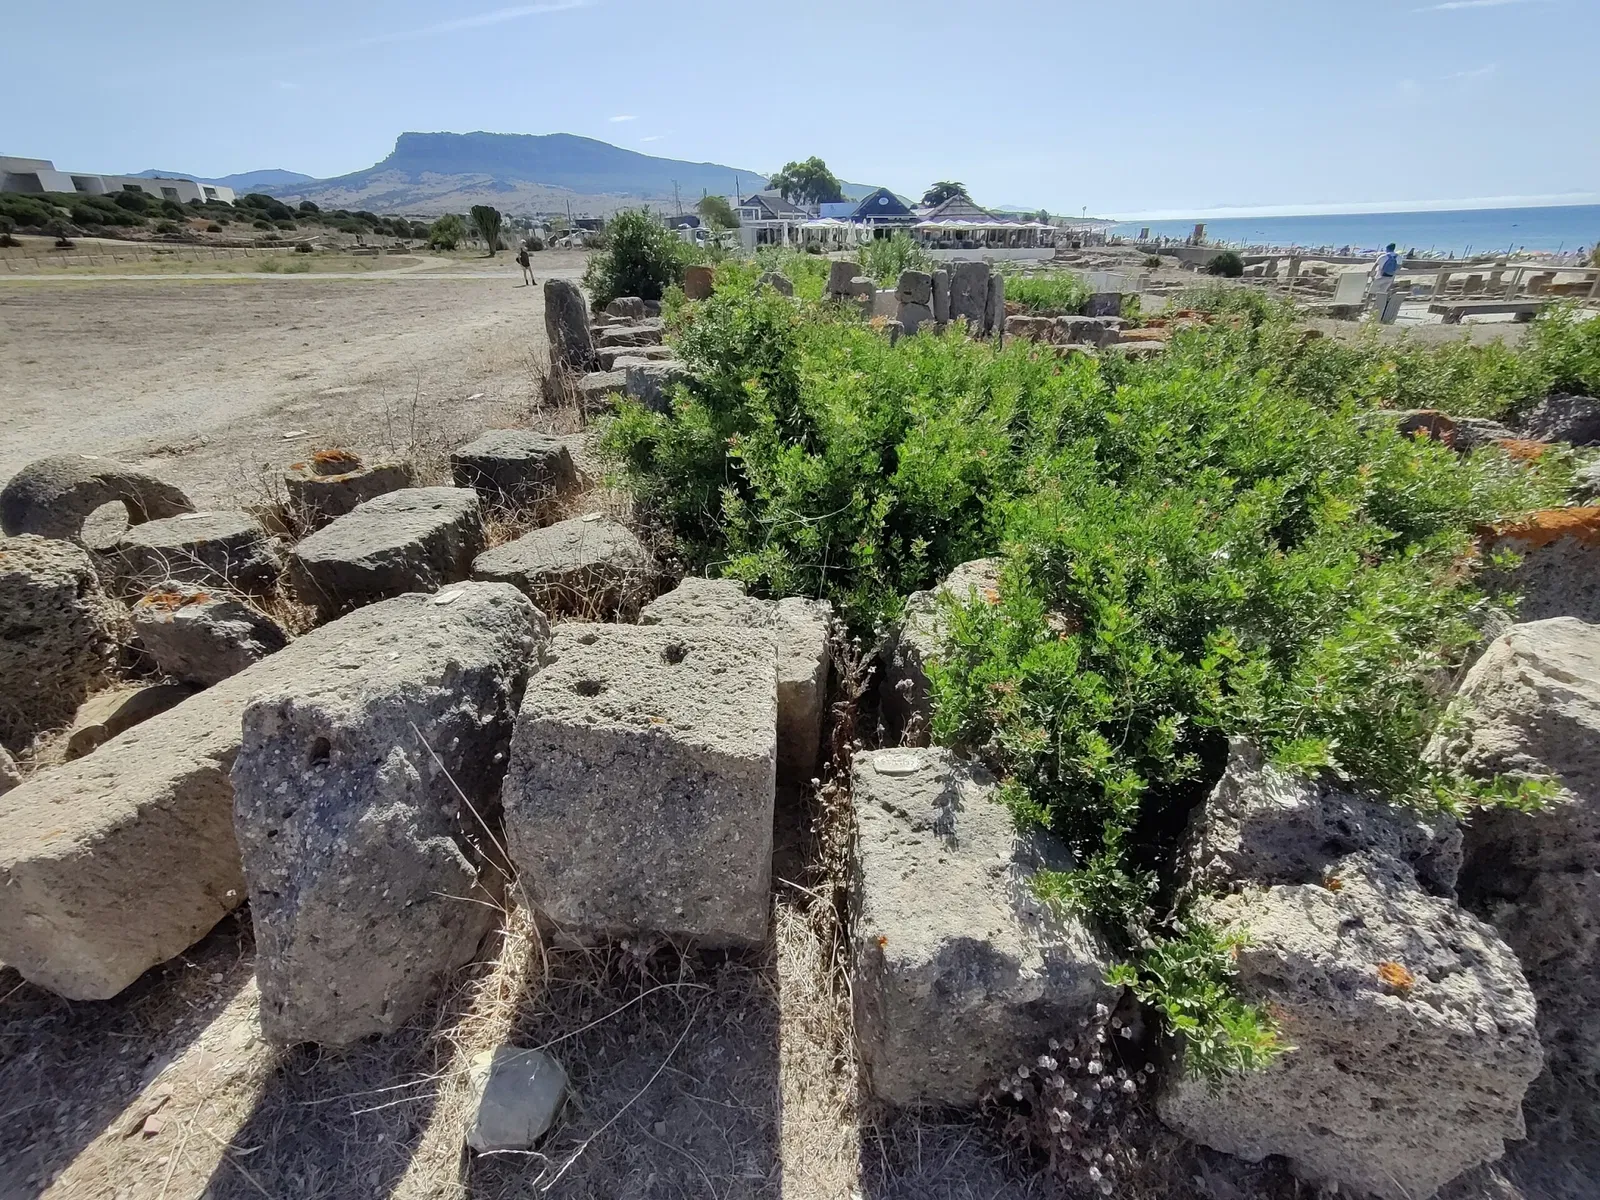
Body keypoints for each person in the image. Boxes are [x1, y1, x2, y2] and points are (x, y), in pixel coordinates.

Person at [1366, 242, 1403, 324]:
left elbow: (1375, 266)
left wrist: (1372, 275)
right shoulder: (1399, 257)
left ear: (1387, 248)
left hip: (1379, 277)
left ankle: (1366, 306)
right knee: (1382, 294)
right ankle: (1377, 308)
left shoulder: (1383, 256)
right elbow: (1399, 268)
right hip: (1390, 278)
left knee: (1371, 293)